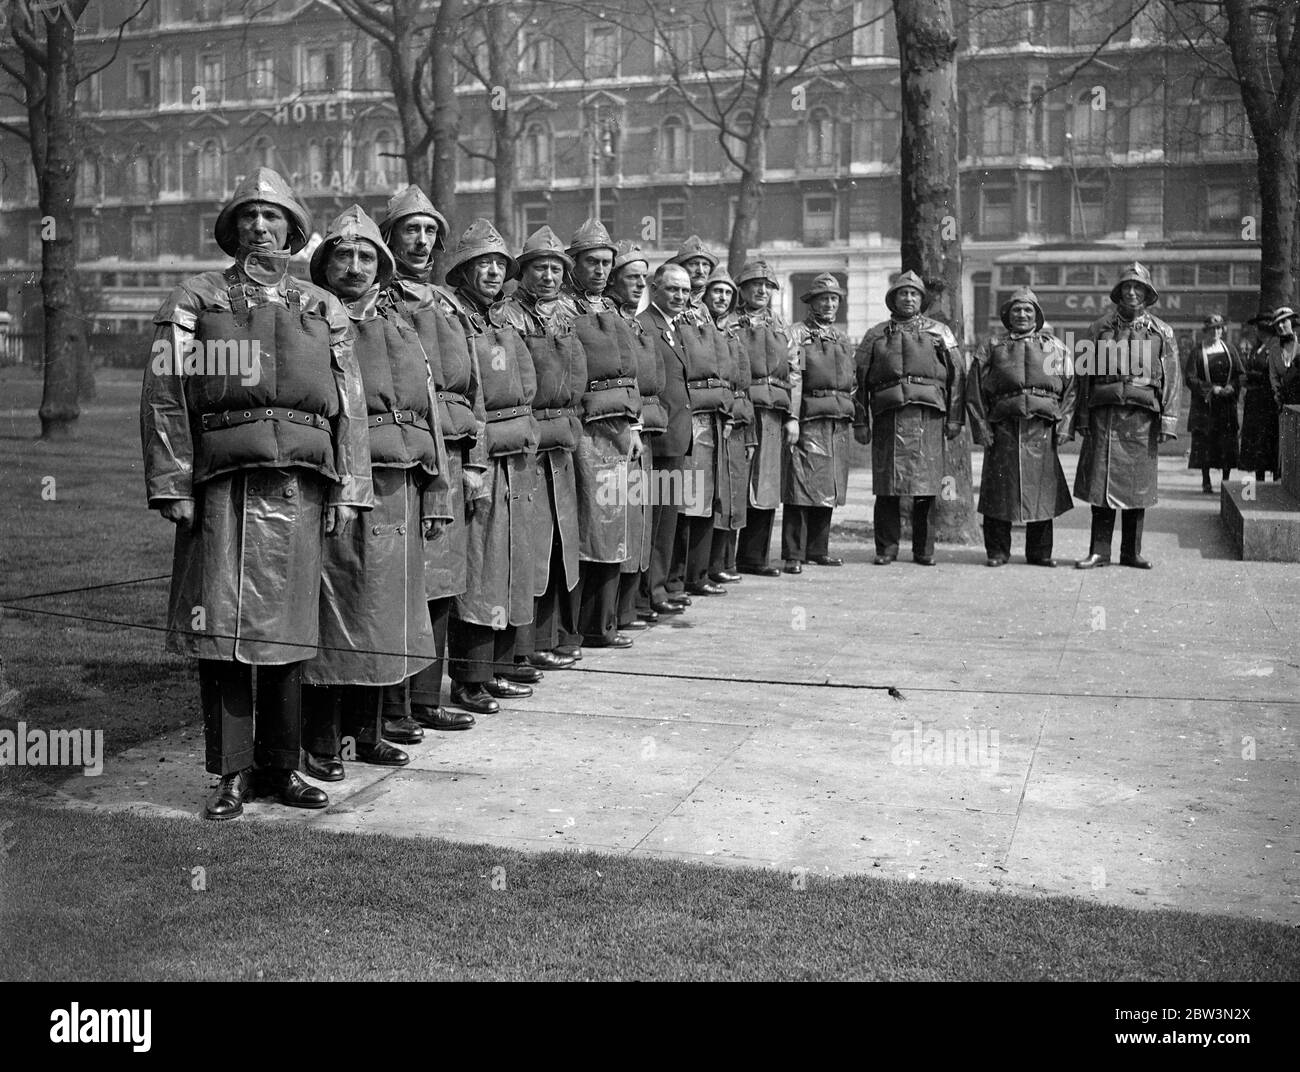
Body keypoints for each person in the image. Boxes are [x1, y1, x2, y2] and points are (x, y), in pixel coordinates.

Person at [140, 167, 373, 820]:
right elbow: (165, 396)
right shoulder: (196, 301)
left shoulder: (320, 308)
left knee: (291, 632)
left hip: (300, 488)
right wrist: (171, 481)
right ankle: (230, 774)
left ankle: (284, 767)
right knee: (219, 631)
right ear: (232, 229)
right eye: (249, 216)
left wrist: (350, 489)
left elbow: (349, 407)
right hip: (221, 489)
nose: (260, 227)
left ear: (295, 232)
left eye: (274, 218)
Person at [300, 205, 451, 780]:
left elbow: (430, 410)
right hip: (341, 487)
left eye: (367, 257)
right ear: (325, 263)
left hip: (402, 490)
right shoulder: (312, 318)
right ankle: (319, 739)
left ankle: (370, 732)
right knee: (336, 612)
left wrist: (436, 492)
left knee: (386, 615)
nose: (357, 266)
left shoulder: (401, 327)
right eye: (345, 255)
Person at [378, 184, 484, 734]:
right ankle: (389, 706)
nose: (420, 241)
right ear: (389, 236)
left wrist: (477, 461)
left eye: (428, 231)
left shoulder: (447, 304)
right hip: (403, 448)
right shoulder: (379, 298)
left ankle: (425, 698)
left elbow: (476, 389)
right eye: (409, 230)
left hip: (455, 448)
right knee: (399, 578)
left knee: (443, 576)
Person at [443, 220, 539, 714]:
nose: (493, 272)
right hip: (478, 456)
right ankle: (469, 679)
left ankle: (499, 668)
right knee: (478, 566)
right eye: (484, 263)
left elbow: (525, 384)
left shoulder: (500, 319)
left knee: (506, 561)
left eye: (500, 265)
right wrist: (476, 460)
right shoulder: (452, 315)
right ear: (463, 269)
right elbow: (468, 390)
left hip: (514, 452)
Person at [498, 226, 589, 670]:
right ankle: (523, 647)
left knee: (558, 544)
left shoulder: (566, 319)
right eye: (539, 268)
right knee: (527, 547)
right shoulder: (506, 317)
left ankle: (555, 637)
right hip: (528, 445)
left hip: (563, 445)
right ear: (523, 271)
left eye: (556, 268)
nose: (549, 276)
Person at [561, 220, 645, 649]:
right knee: (588, 527)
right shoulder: (561, 309)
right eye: (590, 262)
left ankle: (605, 622)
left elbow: (630, 371)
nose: (598, 270)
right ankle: (580, 628)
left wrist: (634, 424)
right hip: (584, 431)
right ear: (572, 263)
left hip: (619, 432)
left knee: (615, 527)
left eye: (605, 264)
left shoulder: (613, 313)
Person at [854, 270, 965, 566]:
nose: (908, 298)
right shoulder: (876, 334)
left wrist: (955, 418)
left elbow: (957, 376)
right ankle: (886, 548)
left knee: (926, 488)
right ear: (893, 299)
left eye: (914, 293)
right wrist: (861, 420)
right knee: (887, 487)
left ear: (921, 299)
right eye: (902, 293)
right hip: (888, 417)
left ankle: (924, 550)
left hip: (928, 418)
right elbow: (859, 379)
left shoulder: (940, 333)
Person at [1073, 262, 1180, 569]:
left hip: (1142, 419)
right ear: (1117, 292)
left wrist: (1168, 422)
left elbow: (1172, 378)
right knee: (1100, 486)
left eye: (1138, 287)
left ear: (1147, 293)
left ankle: (1131, 552)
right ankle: (1099, 552)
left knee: (1138, 487)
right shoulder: (1098, 328)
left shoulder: (1162, 331)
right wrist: (1082, 418)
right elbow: (1084, 376)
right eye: (1126, 287)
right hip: (1104, 417)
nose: (1132, 292)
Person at [965, 287, 1075, 567]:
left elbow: (1072, 390)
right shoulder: (991, 347)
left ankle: (1039, 553)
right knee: (998, 490)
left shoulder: (1055, 348)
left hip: (1041, 429)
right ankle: (998, 551)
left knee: (1043, 492)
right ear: (1007, 315)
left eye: (1028, 310)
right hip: (1003, 428)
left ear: (1037, 315)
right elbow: (974, 391)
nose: (1022, 315)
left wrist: (1064, 426)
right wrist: (982, 428)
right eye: (1017, 310)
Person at [671, 246, 734, 599]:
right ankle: (678, 576)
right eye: (692, 264)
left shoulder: (707, 314)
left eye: (704, 265)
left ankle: (699, 572)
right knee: (683, 497)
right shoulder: (675, 310)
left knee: (707, 496)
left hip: (712, 413)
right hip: (687, 412)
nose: (698, 270)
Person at [781, 274, 855, 573]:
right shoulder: (797, 336)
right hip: (809, 417)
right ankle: (794, 553)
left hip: (836, 419)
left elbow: (852, 381)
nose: (828, 303)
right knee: (801, 486)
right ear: (810, 302)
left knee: (829, 485)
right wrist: (793, 418)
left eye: (834, 298)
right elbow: (794, 377)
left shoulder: (841, 338)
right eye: (823, 298)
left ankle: (818, 549)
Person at [607, 241, 664, 630]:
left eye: (643, 277)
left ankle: (629, 609)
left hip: (642, 429)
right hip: (617, 432)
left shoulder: (636, 323)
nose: (640, 284)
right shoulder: (609, 319)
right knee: (617, 525)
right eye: (632, 277)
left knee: (638, 521)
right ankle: (612, 615)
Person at [733, 260, 800, 576]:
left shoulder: (782, 327)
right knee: (734, 481)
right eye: (754, 285)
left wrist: (792, 416)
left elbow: (795, 373)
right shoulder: (728, 324)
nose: (761, 290)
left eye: (767, 286)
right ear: (742, 289)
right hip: (739, 411)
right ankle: (720, 560)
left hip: (773, 415)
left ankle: (754, 557)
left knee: (766, 484)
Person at [638, 264, 694, 616]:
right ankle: (651, 592)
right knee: (656, 519)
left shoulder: (674, 328)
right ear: (654, 288)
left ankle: (661, 586)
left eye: (685, 291)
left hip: (677, 434)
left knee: (668, 518)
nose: (680, 296)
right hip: (659, 436)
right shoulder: (646, 326)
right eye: (673, 289)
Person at [701, 266, 753, 585]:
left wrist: (746, 423)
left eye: (727, 293)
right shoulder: (696, 327)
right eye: (716, 291)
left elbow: (743, 380)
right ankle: (705, 566)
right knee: (708, 492)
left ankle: (726, 560)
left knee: (732, 491)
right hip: (712, 415)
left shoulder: (733, 334)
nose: (721, 298)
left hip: (736, 416)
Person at [1185, 313, 1242, 494]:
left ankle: (1226, 480)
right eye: (1212, 329)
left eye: (1218, 328)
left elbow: (1239, 373)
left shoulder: (1230, 349)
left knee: (1226, 442)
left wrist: (1232, 387)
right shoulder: (1197, 351)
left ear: (1222, 330)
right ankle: (1206, 480)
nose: (1215, 332)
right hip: (1206, 405)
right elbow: (1190, 378)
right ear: (1206, 331)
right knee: (1206, 442)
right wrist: (1211, 389)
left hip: (1226, 404)